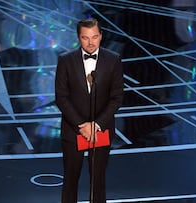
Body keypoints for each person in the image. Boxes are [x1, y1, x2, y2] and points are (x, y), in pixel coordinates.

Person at [55, 17, 124, 203]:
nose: (91, 42)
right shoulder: (66, 60)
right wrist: (81, 125)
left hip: (101, 130)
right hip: (73, 130)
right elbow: (61, 97)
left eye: (94, 37)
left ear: (101, 36)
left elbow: (117, 97)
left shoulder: (113, 60)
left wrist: (97, 125)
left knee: (98, 181)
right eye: (86, 38)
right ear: (79, 38)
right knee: (70, 180)